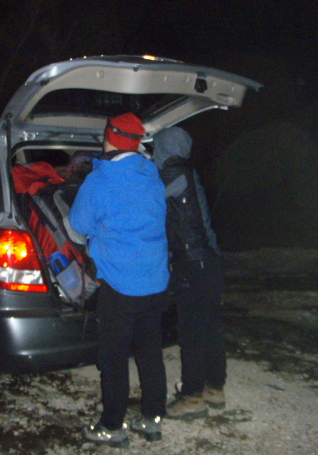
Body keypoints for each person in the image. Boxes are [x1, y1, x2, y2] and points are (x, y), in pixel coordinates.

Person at [69, 113, 170, 448]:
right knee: (150, 352)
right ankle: (152, 419)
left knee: (114, 358)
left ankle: (112, 426)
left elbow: (79, 224)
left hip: (120, 284)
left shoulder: (100, 180)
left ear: (110, 138)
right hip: (155, 281)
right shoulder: (152, 175)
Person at [152, 126, 227, 419]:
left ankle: (192, 397)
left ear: (166, 149)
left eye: (157, 148)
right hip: (210, 261)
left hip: (192, 262)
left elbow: (150, 203)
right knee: (210, 327)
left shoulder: (171, 175)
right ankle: (214, 387)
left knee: (192, 331)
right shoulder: (188, 172)